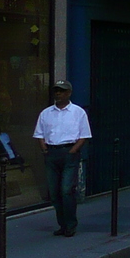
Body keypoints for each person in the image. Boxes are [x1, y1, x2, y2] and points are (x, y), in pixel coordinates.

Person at [33, 80, 91, 237]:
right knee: (54, 192)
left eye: (62, 91)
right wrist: (45, 150)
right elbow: (40, 134)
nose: (58, 93)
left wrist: (72, 152)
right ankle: (62, 224)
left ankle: (70, 224)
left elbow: (84, 136)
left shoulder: (78, 112)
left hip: (68, 152)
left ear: (69, 93)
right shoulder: (46, 113)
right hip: (52, 153)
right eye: (56, 91)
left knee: (66, 190)